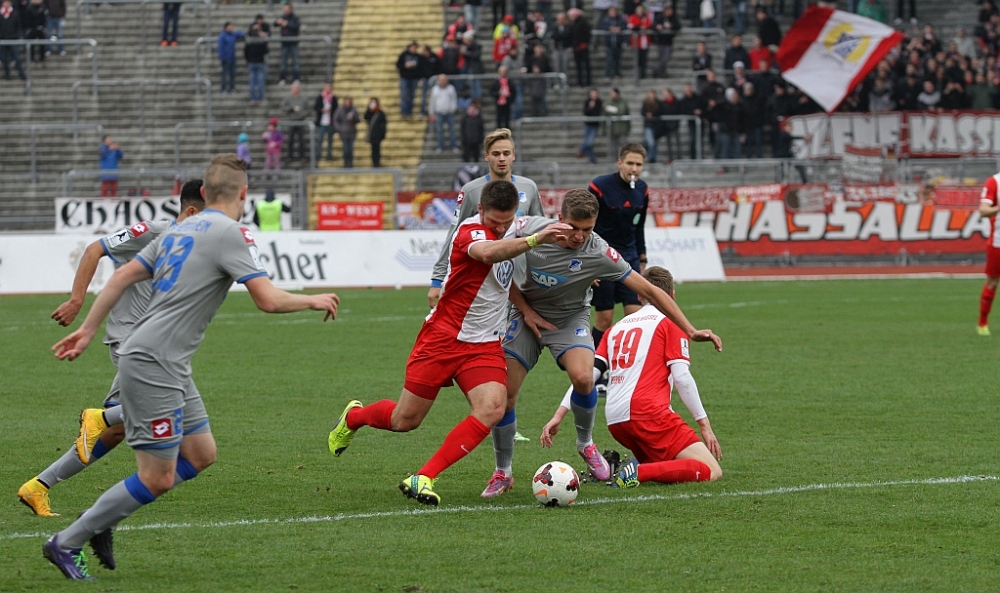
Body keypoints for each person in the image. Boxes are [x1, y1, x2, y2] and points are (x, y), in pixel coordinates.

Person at [44, 155, 339, 581]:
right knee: (157, 477)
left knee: (201, 455)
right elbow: (267, 299)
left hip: (166, 361)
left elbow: (121, 276)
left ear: (203, 192)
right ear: (244, 193)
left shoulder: (178, 229)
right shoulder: (230, 232)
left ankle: (102, 517)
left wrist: (88, 330)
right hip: (154, 362)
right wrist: (312, 298)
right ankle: (67, 541)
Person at [327, 180, 571, 507]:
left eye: (506, 222)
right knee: (405, 420)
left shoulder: (513, 228)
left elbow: (500, 278)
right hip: (442, 339)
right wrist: (534, 239)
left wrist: (527, 308)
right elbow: (489, 253)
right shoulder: (470, 232)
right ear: (480, 209)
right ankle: (354, 417)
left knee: (493, 408)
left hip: (483, 345)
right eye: (494, 221)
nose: (500, 228)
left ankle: (423, 477)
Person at [481, 191, 722, 497]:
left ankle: (585, 444)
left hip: (570, 318)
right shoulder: (529, 229)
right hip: (525, 315)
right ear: (559, 218)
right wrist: (526, 310)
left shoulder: (599, 251)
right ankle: (503, 472)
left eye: (587, 229)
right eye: (573, 227)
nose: (579, 236)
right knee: (506, 397)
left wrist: (689, 329)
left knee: (584, 378)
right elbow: (497, 269)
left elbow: (649, 289)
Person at [18, 181, 206, 519]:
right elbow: (94, 250)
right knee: (171, 407)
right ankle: (99, 418)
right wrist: (77, 300)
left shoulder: (195, 245)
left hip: (154, 341)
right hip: (133, 340)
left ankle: (38, 486)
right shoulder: (151, 232)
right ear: (192, 211)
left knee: (116, 431)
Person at [541, 266, 723, 488]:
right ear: (672, 296)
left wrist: (558, 415)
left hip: (616, 421)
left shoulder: (615, 329)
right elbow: (682, 377)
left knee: (670, 465)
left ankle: (624, 466)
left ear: (639, 295)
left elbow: (587, 377)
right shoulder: (670, 323)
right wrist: (704, 425)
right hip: (649, 415)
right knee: (711, 470)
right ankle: (636, 471)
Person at [428, 127, 544, 306]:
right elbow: (454, 234)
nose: (501, 158)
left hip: (520, 278)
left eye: (506, 153)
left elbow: (540, 232)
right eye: (496, 154)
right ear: (486, 156)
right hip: (482, 279)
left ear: (514, 155)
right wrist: (437, 280)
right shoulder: (472, 191)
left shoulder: (529, 187)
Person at [587, 143, 649, 352]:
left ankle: (628, 366)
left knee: (635, 317)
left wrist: (642, 257)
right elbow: (586, 225)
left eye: (638, 164)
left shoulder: (643, 190)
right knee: (604, 318)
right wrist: (589, 264)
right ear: (619, 162)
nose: (634, 168)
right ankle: (592, 364)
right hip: (602, 259)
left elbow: (639, 226)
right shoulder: (599, 187)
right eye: (630, 163)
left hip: (629, 259)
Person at [977, 171, 1000, 335]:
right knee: (992, 282)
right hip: (998, 242)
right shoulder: (994, 182)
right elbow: (983, 210)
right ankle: (982, 322)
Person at [430, 74, 459, 153]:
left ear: (447, 80)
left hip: (449, 112)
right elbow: (432, 101)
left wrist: (453, 109)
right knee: (439, 131)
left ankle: (454, 146)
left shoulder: (451, 88)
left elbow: (454, 99)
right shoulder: (435, 89)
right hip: (439, 112)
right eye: (441, 80)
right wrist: (431, 112)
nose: (442, 82)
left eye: (444, 80)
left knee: (452, 130)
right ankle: (440, 146)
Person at [281, 81, 309, 161]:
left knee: (302, 140)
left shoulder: (303, 99)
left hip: (301, 121)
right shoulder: (288, 99)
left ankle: (302, 156)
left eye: (297, 88)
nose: (296, 90)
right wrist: (291, 110)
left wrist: (301, 114)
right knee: (290, 140)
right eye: (294, 88)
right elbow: (284, 108)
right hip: (292, 121)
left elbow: (307, 110)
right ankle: (289, 156)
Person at [274, 2, 300, 85]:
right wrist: (278, 22)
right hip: (284, 43)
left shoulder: (295, 17)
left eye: (286, 9)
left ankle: (296, 78)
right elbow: (275, 23)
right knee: (283, 62)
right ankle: (282, 78)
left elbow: (296, 26)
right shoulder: (283, 16)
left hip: (293, 42)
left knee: (295, 61)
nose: (285, 10)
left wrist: (287, 24)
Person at [0, 0, 26, 81]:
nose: (6, 4)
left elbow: (18, 26)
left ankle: (21, 74)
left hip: (12, 38)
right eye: (5, 3)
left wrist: (17, 36)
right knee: (4, 59)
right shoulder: (1, 13)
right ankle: (7, 74)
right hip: (2, 39)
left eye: (8, 3)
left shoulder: (15, 13)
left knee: (17, 58)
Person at [244, 21, 269, 105]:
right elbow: (265, 50)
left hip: (251, 62)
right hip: (260, 62)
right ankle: (260, 98)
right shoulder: (261, 40)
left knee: (252, 81)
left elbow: (246, 51)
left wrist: (248, 59)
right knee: (260, 81)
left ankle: (253, 98)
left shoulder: (249, 39)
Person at [652, 5, 680, 78]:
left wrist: (672, 26)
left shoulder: (673, 18)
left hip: (668, 42)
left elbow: (678, 26)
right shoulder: (659, 17)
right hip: (661, 41)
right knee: (662, 58)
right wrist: (658, 27)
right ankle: (659, 72)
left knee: (666, 58)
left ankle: (659, 71)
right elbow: (653, 26)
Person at [599, 6, 626, 79]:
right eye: (611, 12)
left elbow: (624, 27)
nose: (613, 13)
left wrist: (619, 28)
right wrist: (609, 28)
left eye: (614, 11)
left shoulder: (620, 20)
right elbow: (602, 27)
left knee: (618, 59)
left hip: (618, 42)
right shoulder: (606, 20)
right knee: (609, 59)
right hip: (609, 42)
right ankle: (608, 74)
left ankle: (617, 73)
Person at [217, 22, 245, 94]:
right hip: (225, 58)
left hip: (232, 57)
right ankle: (223, 88)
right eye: (230, 27)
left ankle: (232, 88)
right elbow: (220, 47)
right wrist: (222, 56)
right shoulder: (223, 36)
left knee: (232, 74)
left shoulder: (233, 34)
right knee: (225, 74)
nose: (231, 28)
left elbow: (241, 33)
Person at [396, 41, 422, 116]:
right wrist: (405, 66)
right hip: (405, 78)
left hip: (414, 78)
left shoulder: (418, 56)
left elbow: (421, 68)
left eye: (415, 48)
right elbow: (398, 65)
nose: (414, 49)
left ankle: (410, 111)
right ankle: (404, 111)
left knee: (412, 95)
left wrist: (419, 76)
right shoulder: (403, 55)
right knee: (404, 95)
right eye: (413, 47)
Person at [627, 4, 652, 80]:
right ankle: (637, 74)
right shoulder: (633, 17)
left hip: (645, 42)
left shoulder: (646, 17)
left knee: (643, 59)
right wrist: (640, 27)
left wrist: (640, 27)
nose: (640, 12)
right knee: (637, 60)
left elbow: (648, 25)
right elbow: (631, 26)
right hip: (636, 42)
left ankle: (643, 74)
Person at [333, 96, 359, 168]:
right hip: (343, 133)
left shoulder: (353, 110)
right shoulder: (340, 110)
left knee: (350, 149)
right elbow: (335, 120)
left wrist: (353, 118)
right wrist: (340, 129)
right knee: (345, 149)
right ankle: (346, 163)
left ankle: (350, 163)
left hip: (352, 132)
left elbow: (358, 119)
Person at [314, 82, 338, 162]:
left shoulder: (334, 97)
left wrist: (331, 110)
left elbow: (336, 108)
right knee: (320, 139)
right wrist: (322, 110)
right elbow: (316, 107)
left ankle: (329, 155)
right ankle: (318, 155)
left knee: (330, 140)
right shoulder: (320, 97)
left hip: (330, 122)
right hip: (322, 122)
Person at [578, 88, 602, 164]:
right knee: (588, 143)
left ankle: (581, 149)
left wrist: (594, 107)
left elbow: (598, 113)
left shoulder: (599, 102)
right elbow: (585, 112)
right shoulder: (587, 102)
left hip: (594, 125)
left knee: (589, 142)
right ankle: (592, 160)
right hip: (587, 124)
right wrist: (590, 107)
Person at [569, 7, 591, 87]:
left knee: (586, 65)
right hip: (576, 47)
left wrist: (585, 43)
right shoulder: (573, 24)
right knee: (578, 66)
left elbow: (587, 34)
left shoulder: (583, 23)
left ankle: (588, 81)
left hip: (583, 46)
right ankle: (580, 81)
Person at [605, 87, 631, 156]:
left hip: (622, 128)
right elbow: (605, 110)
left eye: (612, 93)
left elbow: (622, 111)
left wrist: (612, 110)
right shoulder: (609, 102)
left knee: (624, 145)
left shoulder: (623, 102)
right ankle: (616, 159)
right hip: (612, 128)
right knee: (614, 147)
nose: (611, 94)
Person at [363, 97, 387, 168]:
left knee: (377, 150)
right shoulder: (370, 113)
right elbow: (365, 117)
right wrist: (369, 109)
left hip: (378, 135)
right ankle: (374, 163)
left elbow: (383, 125)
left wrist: (382, 134)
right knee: (373, 150)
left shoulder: (380, 113)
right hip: (372, 135)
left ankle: (377, 163)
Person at [491, 65, 515, 129]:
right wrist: (498, 93)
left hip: (507, 102)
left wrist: (510, 96)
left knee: (507, 118)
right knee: (499, 118)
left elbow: (514, 91)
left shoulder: (510, 81)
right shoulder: (496, 82)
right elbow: (492, 92)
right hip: (499, 102)